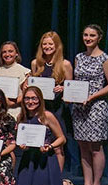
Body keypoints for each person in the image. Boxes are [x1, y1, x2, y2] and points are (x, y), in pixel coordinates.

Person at [73, 24, 108, 185]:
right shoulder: (79, 57)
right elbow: (76, 81)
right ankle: (87, 183)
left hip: (96, 107)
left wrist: (92, 96)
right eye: (85, 35)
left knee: (95, 148)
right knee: (83, 146)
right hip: (79, 108)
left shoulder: (105, 59)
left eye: (92, 35)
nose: (88, 38)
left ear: (99, 37)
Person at [16, 87, 67, 185]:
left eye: (34, 98)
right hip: (28, 160)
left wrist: (50, 146)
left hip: (44, 160)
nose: (30, 102)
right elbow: (22, 139)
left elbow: (62, 138)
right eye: (27, 98)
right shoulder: (21, 117)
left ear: (40, 100)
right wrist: (22, 146)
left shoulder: (47, 116)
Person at [30, 32, 74, 172]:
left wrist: (63, 88)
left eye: (50, 44)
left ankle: (57, 181)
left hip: (57, 110)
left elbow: (71, 91)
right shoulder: (36, 63)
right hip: (39, 109)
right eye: (44, 44)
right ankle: (40, 177)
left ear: (57, 46)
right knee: (38, 143)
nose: (47, 47)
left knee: (58, 146)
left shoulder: (65, 64)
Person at [0, 41, 30, 117]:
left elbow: (25, 93)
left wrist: (12, 103)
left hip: (14, 111)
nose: (7, 54)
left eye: (10, 51)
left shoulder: (24, 71)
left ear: (16, 53)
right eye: (4, 52)